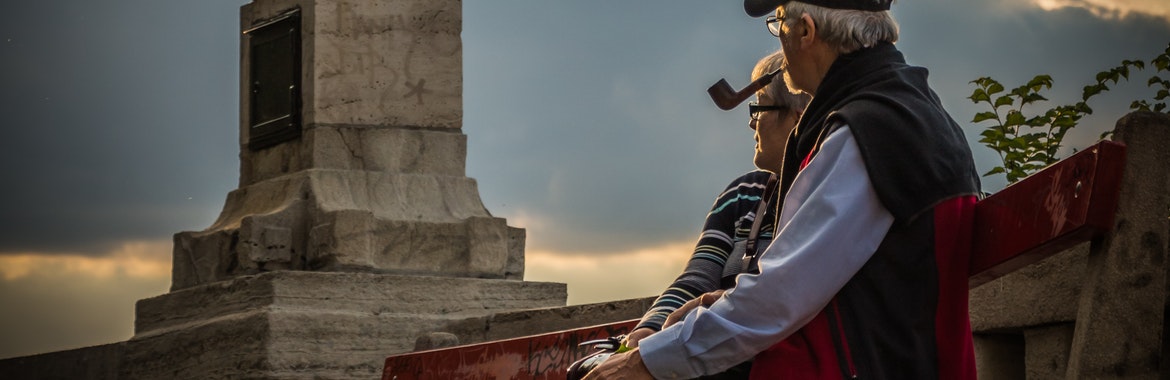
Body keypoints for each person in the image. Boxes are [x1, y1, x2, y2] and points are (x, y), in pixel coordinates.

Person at [583, 1, 981, 379]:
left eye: (778, 25)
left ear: (805, 31)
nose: (780, 43)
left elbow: (780, 297)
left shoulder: (867, 132)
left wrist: (644, 364)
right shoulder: (906, 111)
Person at [622, 50, 810, 376]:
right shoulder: (742, 195)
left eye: (759, 107)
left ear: (797, 117)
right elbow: (697, 277)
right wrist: (650, 330)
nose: (752, 123)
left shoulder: (824, 199)